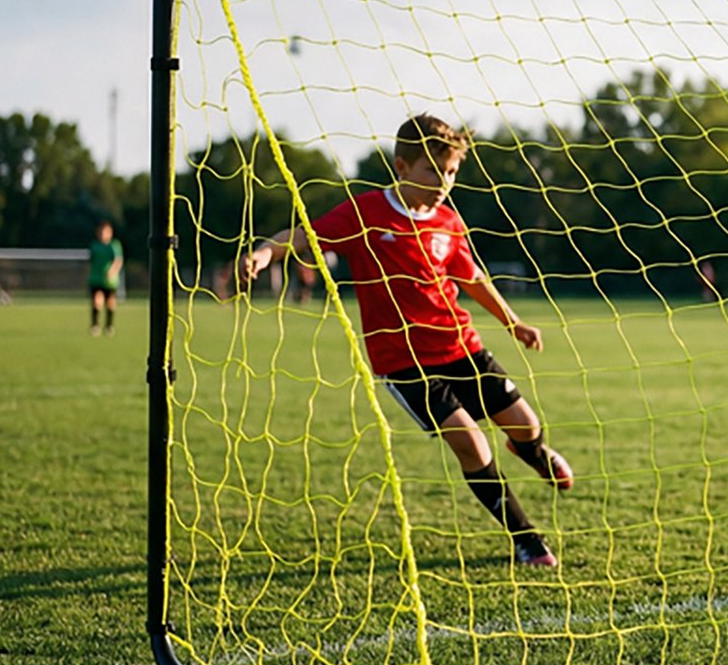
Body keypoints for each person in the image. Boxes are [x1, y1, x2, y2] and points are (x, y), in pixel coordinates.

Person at [242, 113, 570, 568]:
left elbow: (472, 279)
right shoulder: (367, 213)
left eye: (451, 173)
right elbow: (303, 237)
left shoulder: (449, 222)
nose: (443, 183)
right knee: (473, 444)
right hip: (405, 363)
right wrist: (263, 252)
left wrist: (513, 322)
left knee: (525, 424)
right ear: (401, 167)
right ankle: (526, 539)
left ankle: (531, 451)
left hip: (461, 346)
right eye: (433, 171)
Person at [88, 219, 124, 336]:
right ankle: (95, 325)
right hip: (96, 278)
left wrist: (112, 271)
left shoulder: (114, 245)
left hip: (110, 281)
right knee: (96, 301)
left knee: (110, 302)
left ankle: (109, 325)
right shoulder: (94, 245)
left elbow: (118, 260)